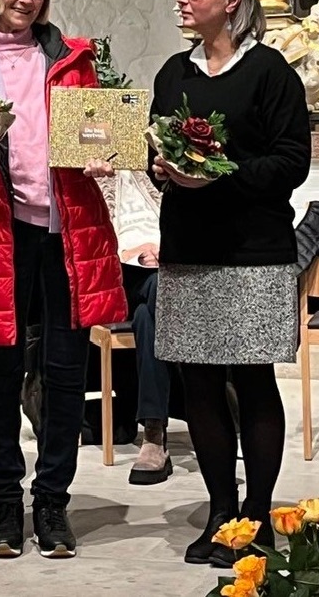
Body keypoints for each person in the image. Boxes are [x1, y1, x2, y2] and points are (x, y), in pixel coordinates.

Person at [0, 0, 127, 560]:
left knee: (66, 373)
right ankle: (2, 504)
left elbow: (96, 135)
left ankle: (52, 503)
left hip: (67, 231)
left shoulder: (73, 58)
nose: (27, 0)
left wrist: (102, 157)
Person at [151, 0, 311, 568]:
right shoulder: (173, 73)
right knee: (198, 384)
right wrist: (163, 169)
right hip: (188, 249)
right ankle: (221, 512)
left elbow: (291, 162)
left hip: (253, 253)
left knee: (252, 380)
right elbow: (158, 153)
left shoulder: (270, 72)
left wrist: (218, 175)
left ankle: (257, 516)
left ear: (233, 0)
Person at [110, 171, 177, 486]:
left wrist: (169, 250)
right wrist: (127, 255)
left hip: (168, 270)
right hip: (117, 275)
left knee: (146, 318)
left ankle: (153, 432)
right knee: (159, 293)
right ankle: (201, 412)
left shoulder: (162, 169)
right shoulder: (89, 170)